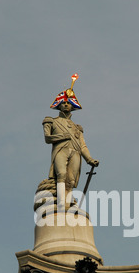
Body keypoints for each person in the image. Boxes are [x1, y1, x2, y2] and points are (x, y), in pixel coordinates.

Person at [42, 75, 99, 210]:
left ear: (72, 107)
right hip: (60, 150)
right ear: (59, 105)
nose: (66, 104)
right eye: (64, 103)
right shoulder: (51, 121)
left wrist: (89, 159)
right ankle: (61, 204)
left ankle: (68, 205)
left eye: (68, 103)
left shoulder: (77, 128)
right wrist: (63, 136)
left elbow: (82, 146)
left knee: (71, 180)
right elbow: (47, 138)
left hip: (75, 152)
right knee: (61, 174)